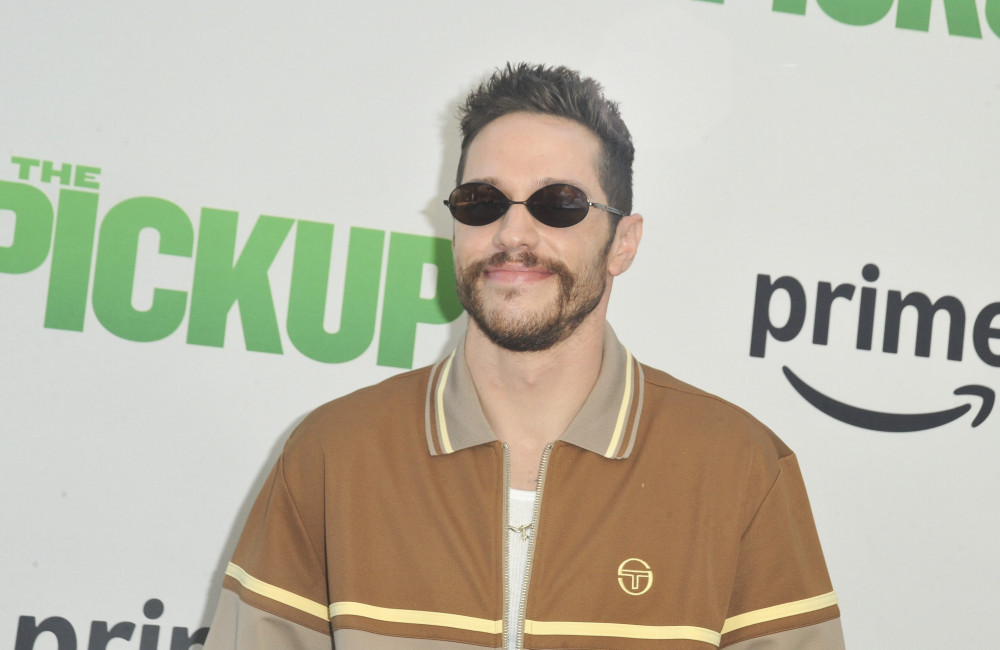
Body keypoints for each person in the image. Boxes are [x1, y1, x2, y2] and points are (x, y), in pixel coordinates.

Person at [204, 63, 844, 650]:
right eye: (482, 202)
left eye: (558, 203)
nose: (512, 233)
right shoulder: (332, 455)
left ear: (623, 242)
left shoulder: (739, 470)